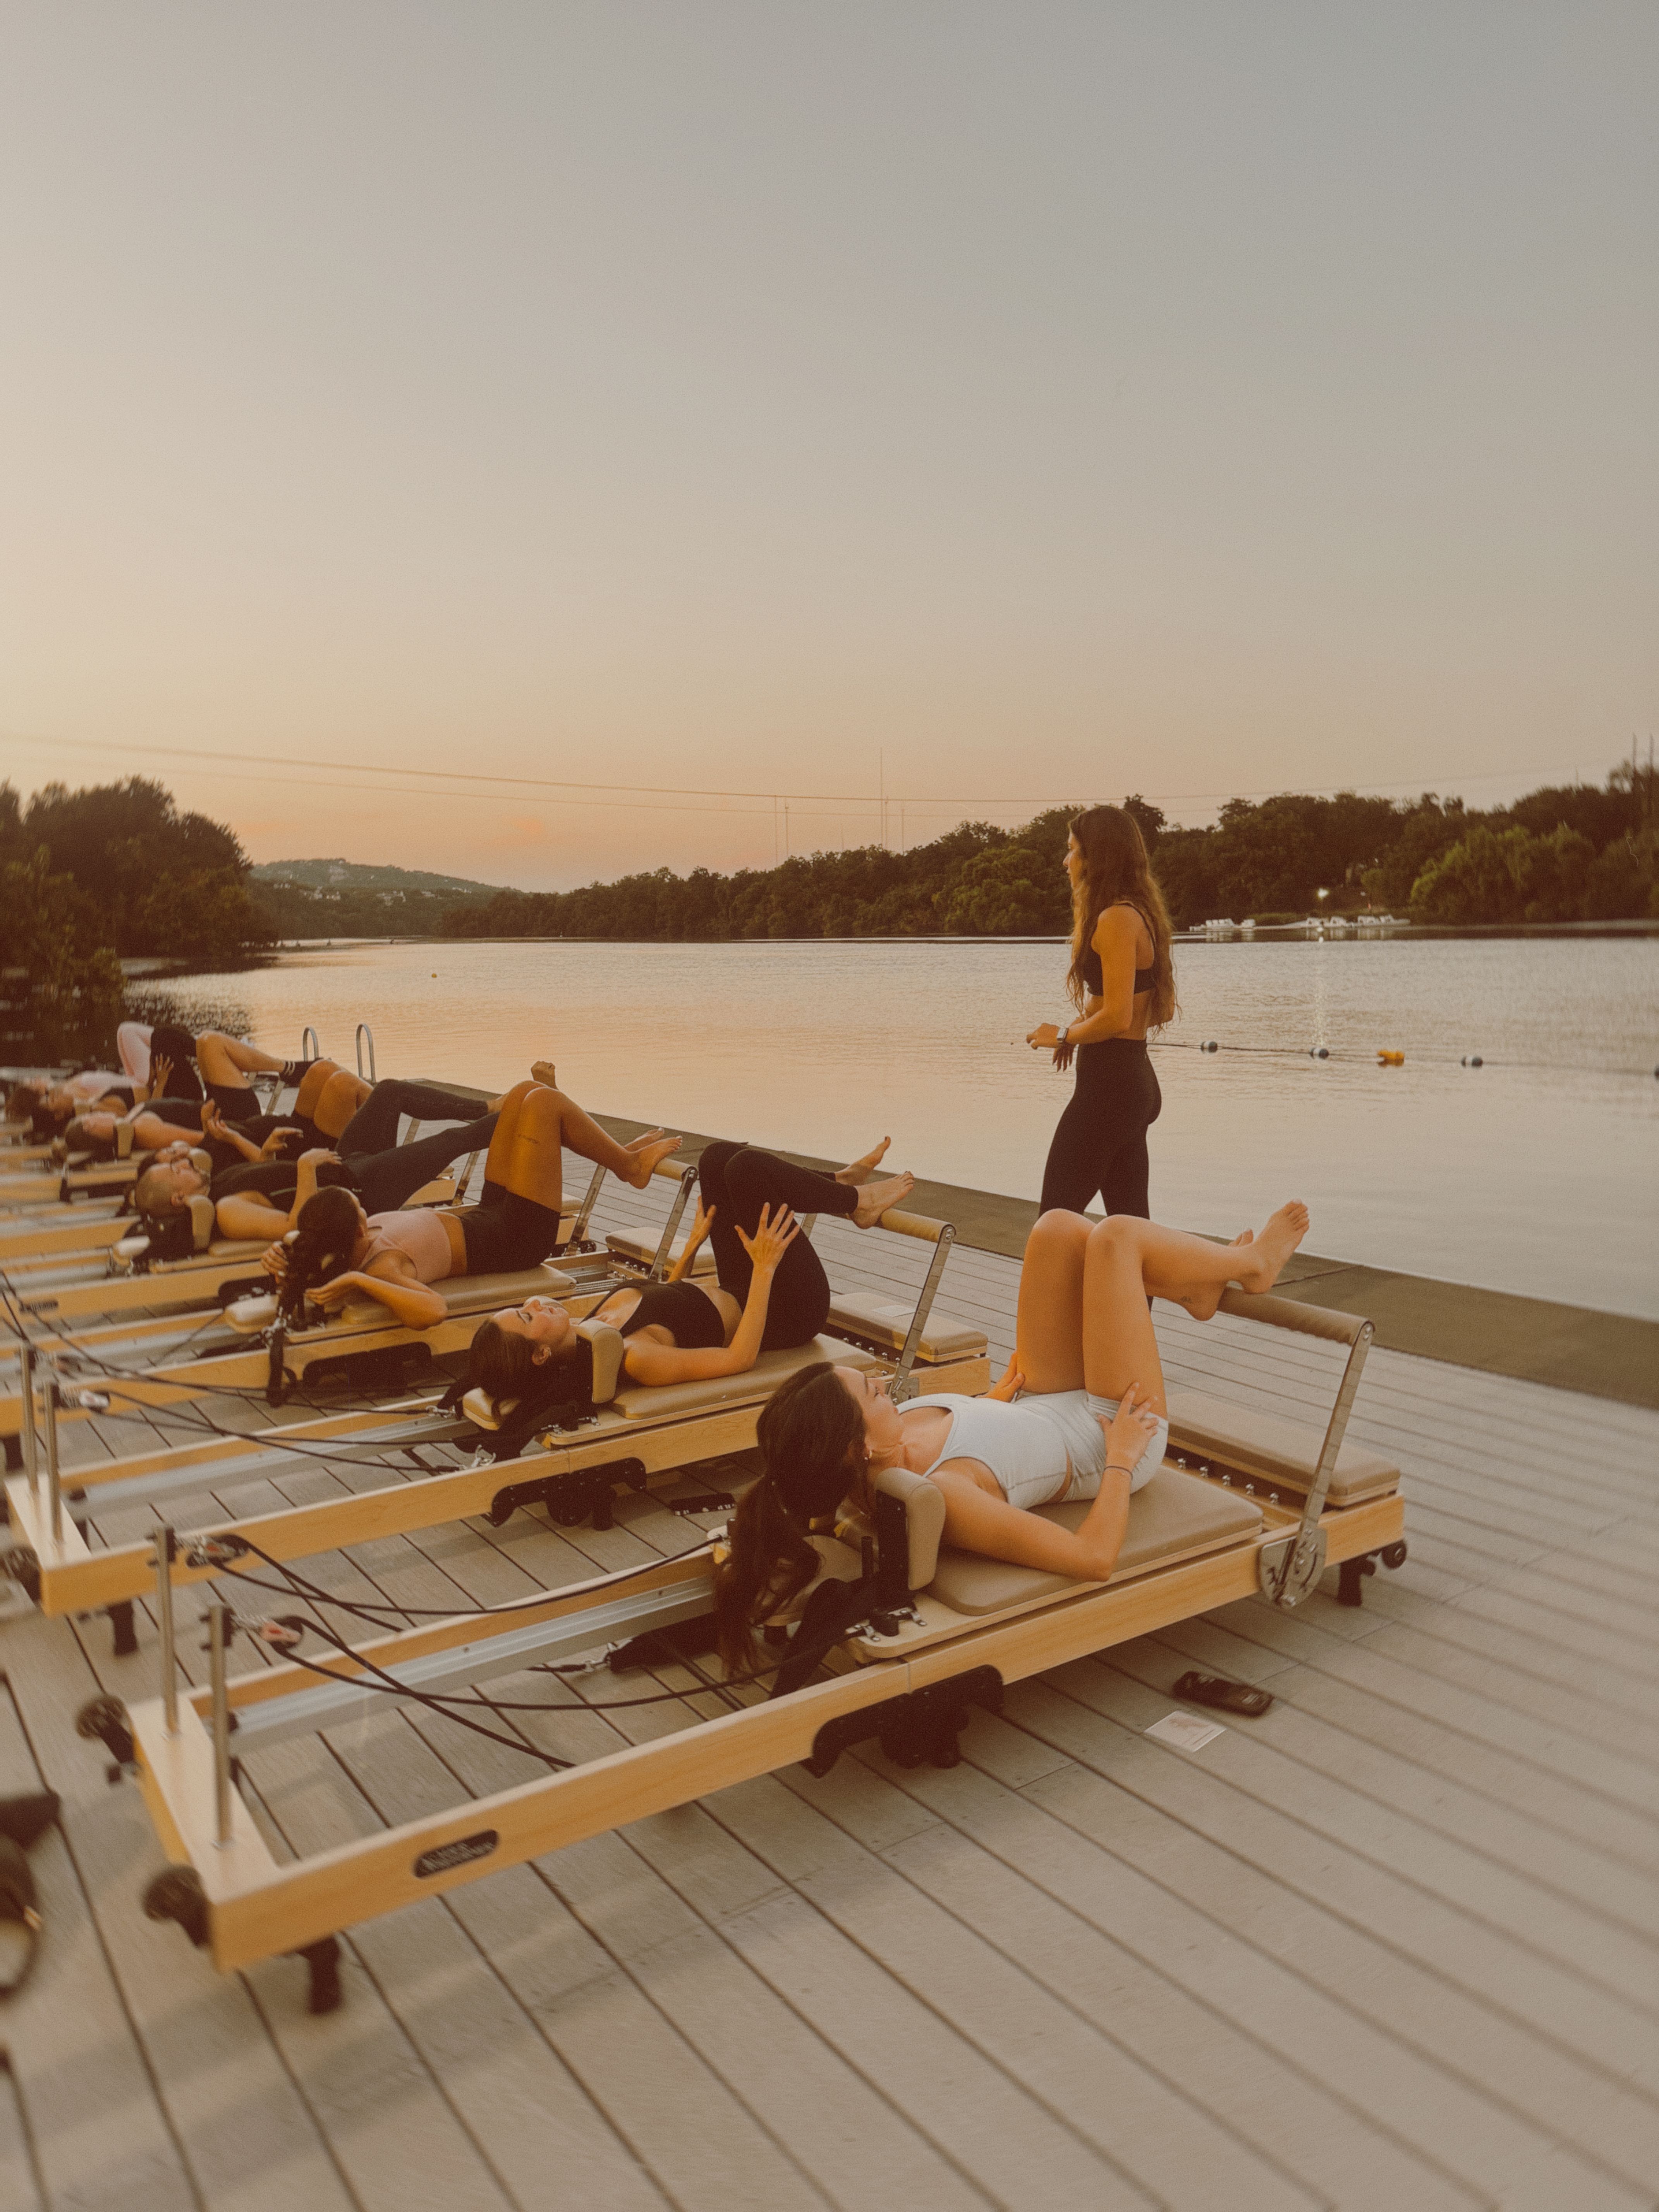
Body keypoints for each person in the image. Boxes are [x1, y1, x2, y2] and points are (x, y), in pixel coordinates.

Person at [712, 1198, 1309, 1673]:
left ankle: (1194, 1289)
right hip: (1111, 1433)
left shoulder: (859, 1460)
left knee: (1055, 1230)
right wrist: (1125, 1460)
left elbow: (807, 1482)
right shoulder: (949, 1491)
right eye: (868, 1393)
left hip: (1041, 1405)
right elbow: (1092, 1559)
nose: (878, 1383)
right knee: (1116, 1238)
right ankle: (1249, 1267)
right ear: (858, 1446)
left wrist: (988, 1408)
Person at [466, 1138, 915, 1417]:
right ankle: (855, 1199)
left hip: (742, 1283)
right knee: (747, 1170)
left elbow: (663, 1303)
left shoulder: (591, 1331)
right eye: (527, 1318)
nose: (534, 1304)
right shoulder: (634, 1357)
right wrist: (764, 1269)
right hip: (787, 1308)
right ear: (542, 1354)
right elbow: (739, 1358)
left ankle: (838, 1183)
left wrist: (695, 1243)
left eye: (521, 1306)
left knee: (720, 1158)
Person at [268, 1079, 683, 1329]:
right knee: (545, 1104)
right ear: (358, 1230)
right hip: (517, 1238)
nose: (364, 1208)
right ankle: (628, 1167)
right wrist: (359, 1282)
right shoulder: (383, 1267)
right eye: (360, 1209)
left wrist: (279, 1253)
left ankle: (620, 1159)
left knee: (523, 1096)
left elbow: (302, 1235)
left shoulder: (338, 1238)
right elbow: (432, 1312)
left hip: (490, 1214)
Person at [1025, 805, 1176, 1221]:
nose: (1066, 861)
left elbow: (1117, 1017)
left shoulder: (1114, 920)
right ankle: (1139, 1288)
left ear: (1098, 857)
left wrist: (1060, 1036)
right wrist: (1081, 1024)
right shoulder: (1139, 914)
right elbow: (1151, 1011)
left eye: (1073, 850)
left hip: (1109, 1090)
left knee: (1052, 1223)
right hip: (1132, 1081)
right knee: (1130, 1228)